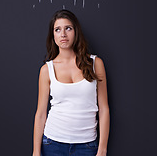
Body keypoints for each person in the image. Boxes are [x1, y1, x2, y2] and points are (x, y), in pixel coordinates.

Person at [32, 9, 110, 156]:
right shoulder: (46, 69)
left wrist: (102, 149)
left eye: (68, 28)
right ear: (53, 35)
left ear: (76, 32)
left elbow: (104, 109)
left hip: (86, 145)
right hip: (52, 143)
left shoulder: (95, 63)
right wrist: (36, 152)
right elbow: (41, 113)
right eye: (57, 29)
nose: (63, 34)